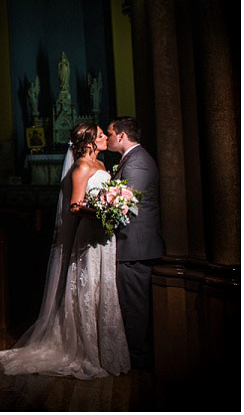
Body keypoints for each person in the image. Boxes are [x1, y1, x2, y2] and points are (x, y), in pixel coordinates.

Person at [0, 122, 129, 407]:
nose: (106, 137)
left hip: (105, 237)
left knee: (105, 288)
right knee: (88, 290)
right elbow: (75, 206)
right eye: (101, 135)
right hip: (88, 236)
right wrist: (103, 209)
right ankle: (84, 348)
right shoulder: (80, 168)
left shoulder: (102, 163)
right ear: (89, 141)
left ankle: (107, 349)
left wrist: (113, 206)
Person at [105, 116, 164, 371]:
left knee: (135, 307)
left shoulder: (137, 163)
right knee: (131, 305)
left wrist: (95, 211)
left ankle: (138, 362)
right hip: (133, 246)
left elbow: (124, 209)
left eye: (109, 133)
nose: (107, 138)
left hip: (135, 247)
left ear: (121, 135)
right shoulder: (131, 160)